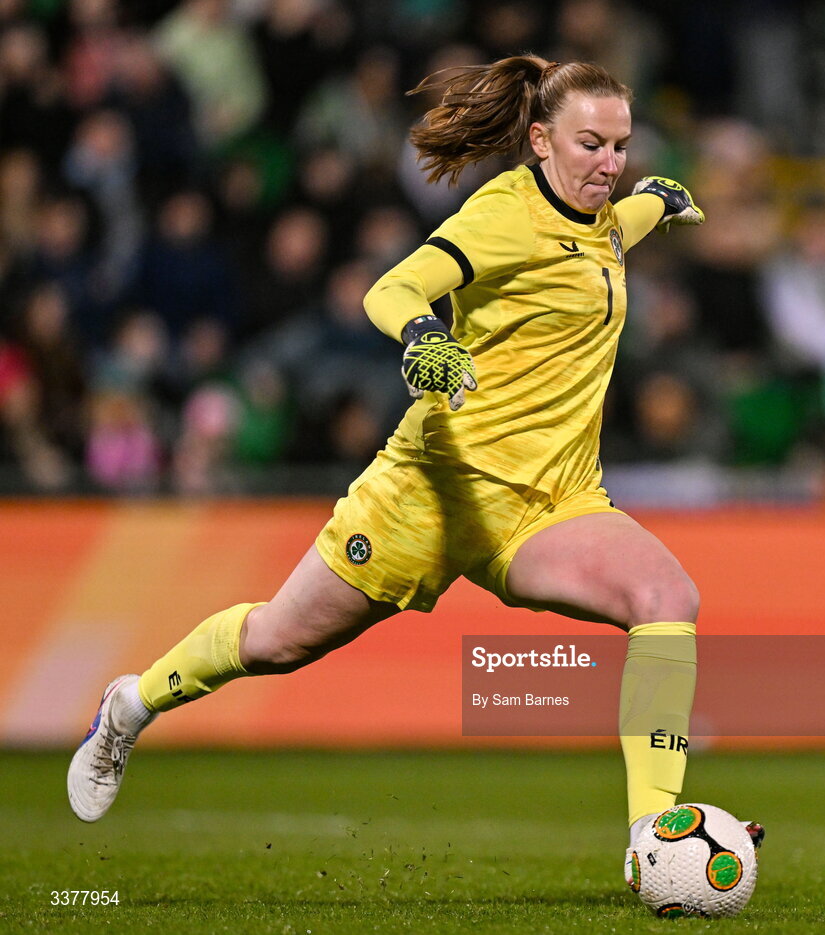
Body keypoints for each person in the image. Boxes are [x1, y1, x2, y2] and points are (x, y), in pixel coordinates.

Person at [67, 54, 761, 896]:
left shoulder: (612, 212)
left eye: (621, 145)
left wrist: (664, 197)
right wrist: (424, 335)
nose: (609, 164)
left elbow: (627, 217)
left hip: (552, 505)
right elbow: (393, 286)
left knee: (667, 599)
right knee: (278, 641)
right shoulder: (503, 216)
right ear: (540, 141)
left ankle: (652, 836)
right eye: (590, 144)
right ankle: (128, 708)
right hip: (430, 493)